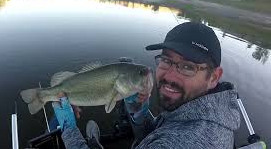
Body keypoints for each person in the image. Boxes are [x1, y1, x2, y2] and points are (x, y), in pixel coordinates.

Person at [52, 22, 241, 149]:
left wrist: (69, 131)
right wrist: (139, 114)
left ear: (214, 77)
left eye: (187, 67)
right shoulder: (203, 111)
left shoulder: (184, 142)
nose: (170, 76)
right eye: (166, 60)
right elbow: (159, 134)